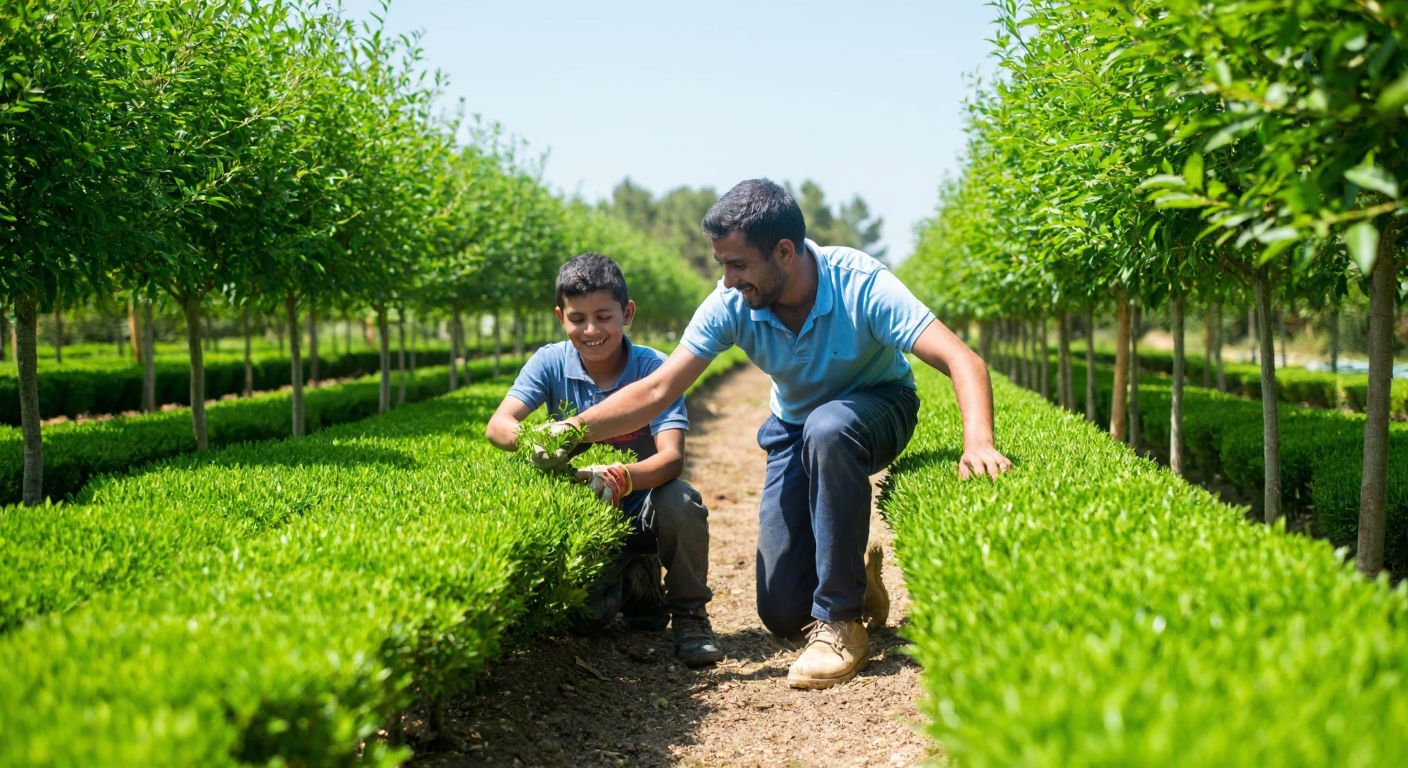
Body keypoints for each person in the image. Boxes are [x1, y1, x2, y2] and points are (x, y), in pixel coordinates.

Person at [534, 179, 1012, 689]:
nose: (727, 278)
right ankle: (855, 579)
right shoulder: (731, 302)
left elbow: (962, 358)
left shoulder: (860, 282)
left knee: (830, 427)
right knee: (783, 613)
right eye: (721, 263)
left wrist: (978, 441)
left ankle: (842, 623)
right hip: (793, 424)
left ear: (784, 251)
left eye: (737, 264)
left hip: (879, 406)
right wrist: (573, 428)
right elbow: (658, 389)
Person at [485, 252, 723, 668]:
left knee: (680, 501)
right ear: (561, 317)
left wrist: (621, 478)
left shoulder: (653, 368)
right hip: (587, 510)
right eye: (578, 318)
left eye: (603, 316)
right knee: (584, 621)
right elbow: (498, 425)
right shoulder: (550, 362)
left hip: (644, 506)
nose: (591, 330)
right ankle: (639, 583)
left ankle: (689, 615)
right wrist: (534, 439)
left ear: (626, 313)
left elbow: (671, 460)